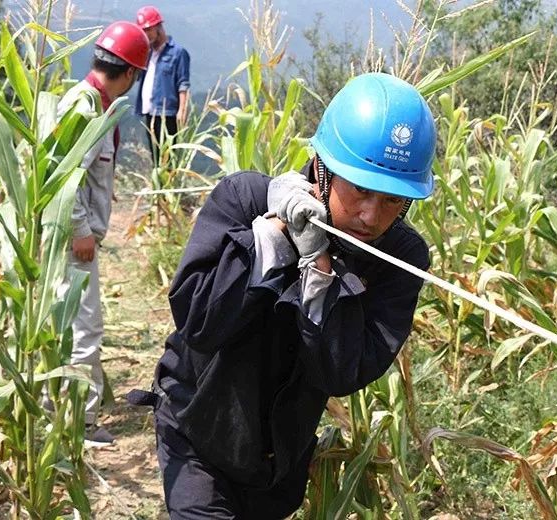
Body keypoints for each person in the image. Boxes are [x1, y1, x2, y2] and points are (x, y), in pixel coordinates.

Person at [128, 72, 436, 518]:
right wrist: (270, 240)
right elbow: (197, 321)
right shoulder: (245, 197)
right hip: (196, 428)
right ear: (323, 167)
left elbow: (343, 373)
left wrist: (319, 270)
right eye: (361, 190)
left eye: (393, 201)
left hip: (277, 459)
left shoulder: (400, 256)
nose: (371, 216)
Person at [56, 21, 149, 446]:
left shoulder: (94, 102)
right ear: (129, 73)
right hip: (71, 239)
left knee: (66, 325)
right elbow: (64, 177)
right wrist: (81, 230)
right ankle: (81, 423)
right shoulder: (85, 109)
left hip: (71, 236)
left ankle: (59, 408)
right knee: (84, 328)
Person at [134, 5, 191, 164]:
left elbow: (183, 84)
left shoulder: (178, 53)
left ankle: (169, 185)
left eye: (148, 30)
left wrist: (182, 110)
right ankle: (157, 183)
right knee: (155, 156)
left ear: (158, 27)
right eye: (143, 31)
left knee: (168, 157)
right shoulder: (148, 53)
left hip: (167, 114)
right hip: (149, 112)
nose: (146, 35)